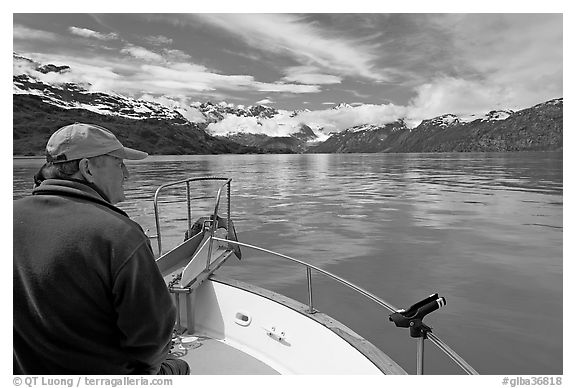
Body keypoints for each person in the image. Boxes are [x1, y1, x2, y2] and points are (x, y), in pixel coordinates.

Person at [13, 123, 189, 375]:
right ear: (87, 168)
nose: (127, 174)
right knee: (179, 367)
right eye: (119, 163)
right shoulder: (119, 234)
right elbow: (152, 340)